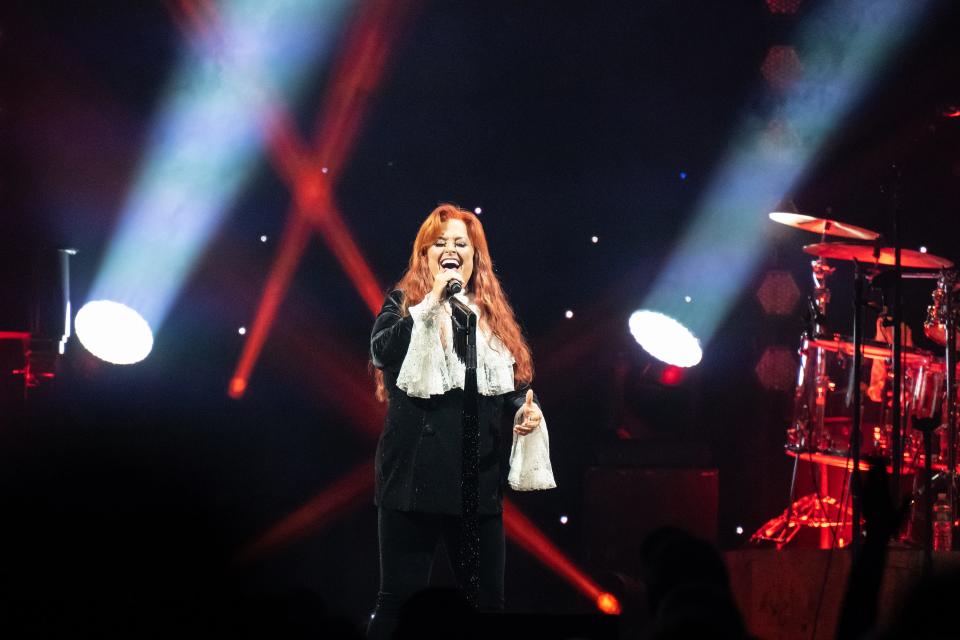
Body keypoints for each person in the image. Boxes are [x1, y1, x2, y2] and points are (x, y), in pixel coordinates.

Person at [367, 204, 555, 639]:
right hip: (412, 477)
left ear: (475, 256)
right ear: (425, 256)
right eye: (440, 243)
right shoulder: (404, 304)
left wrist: (526, 412)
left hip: (476, 479)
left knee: (487, 605)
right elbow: (382, 353)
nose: (450, 250)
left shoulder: (488, 318)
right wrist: (431, 301)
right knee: (396, 603)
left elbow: (511, 389)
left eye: (460, 243)